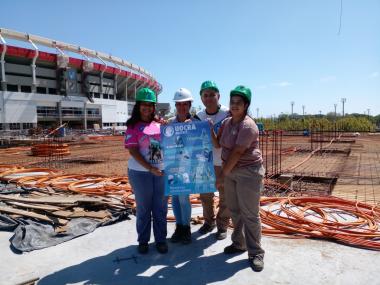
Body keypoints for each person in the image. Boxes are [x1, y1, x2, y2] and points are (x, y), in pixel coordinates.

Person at [212, 85, 265, 272]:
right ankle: (239, 243)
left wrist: (221, 175)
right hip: (231, 171)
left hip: (248, 172)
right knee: (235, 210)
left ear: (246, 105)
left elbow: (237, 152)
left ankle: (256, 252)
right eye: (232, 102)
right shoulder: (227, 123)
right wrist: (209, 129)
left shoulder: (248, 125)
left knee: (250, 213)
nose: (234, 106)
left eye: (239, 103)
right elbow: (218, 143)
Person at [125, 87, 168, 254]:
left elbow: (166, 144)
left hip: (160, 173)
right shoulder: (133, 126)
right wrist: (150, 168)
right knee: (144, 208)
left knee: (160, 208)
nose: (147, 108)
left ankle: (161, 240)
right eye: (144, 105)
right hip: (140, 173)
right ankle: (143, 240)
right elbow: (133, 151)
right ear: (138, 106)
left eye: (150, 105)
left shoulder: (159, 124)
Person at [196, 80, 230, 240]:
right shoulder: (198, 117)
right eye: (205, 95)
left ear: (218, 96)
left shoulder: (228, 113)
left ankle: (222, 226)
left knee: (225, 196)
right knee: (205, 196)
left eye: (212, 95)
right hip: (204, 163)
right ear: (201, 98)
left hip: (223, 162)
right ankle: (209, 222)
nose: (209, 98)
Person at [168, 88, 200, 244]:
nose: (181, 107)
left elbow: (202, 143)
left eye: (185, 104)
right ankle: (179, 227)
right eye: (179, 104)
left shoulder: (196, 124)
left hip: (187, 167)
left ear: (189, 105)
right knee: (174, 197)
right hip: (173, 166)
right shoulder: (170, 124)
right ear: (176, 106)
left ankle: (186, 228)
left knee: (183, 198)